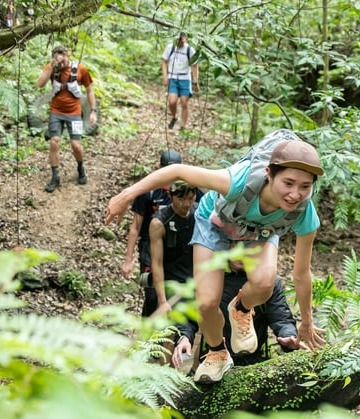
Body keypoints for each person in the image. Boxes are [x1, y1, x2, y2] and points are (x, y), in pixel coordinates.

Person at [105, 129, 327, 384]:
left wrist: (307, 323)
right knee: (207, 302)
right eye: (288, 183)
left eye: (305, 187)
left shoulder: (303, 211)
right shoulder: (237, 182)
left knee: (266, 283)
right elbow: (177, 171)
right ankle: (216, 353)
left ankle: (241, 309)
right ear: (269, 174)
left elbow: (301, 274)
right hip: (216, 222)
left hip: (260, 232)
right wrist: (126, 195)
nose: (295, 194)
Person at [171, 264, 308, 373]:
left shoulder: (267, 283)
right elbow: (188, 315)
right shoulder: (208, 277)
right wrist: (184, 337)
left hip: (254, 362)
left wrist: (288, 335)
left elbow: (281, 318)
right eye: (235, 243)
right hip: (211, 360)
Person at [121, 150, 190, 317]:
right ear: (158, 168)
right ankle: (146, 334)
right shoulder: (148, 192)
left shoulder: (187, 191)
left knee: (178, 295)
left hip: (177, 249)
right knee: (152, 296)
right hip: (148, 249)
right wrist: (128, 260)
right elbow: (135, 227)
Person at [37, 45, 97, 193]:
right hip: (56, 111)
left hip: (74, 113)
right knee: (54, 142)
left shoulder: (81, 70)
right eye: (58, 62)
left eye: (63, 61)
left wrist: (93, 111)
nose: (61, 65)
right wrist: (52, 67)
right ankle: (55, 176)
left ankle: (80, 167)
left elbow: (89, 90)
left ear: (68, 56)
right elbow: (40, 84)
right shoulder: (52, 68)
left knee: (76, 145)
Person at [150, 181, 199, 314]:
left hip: (196, 281)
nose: (187, 204)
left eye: (190, 198)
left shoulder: (200, 213)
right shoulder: (159, 222)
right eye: (181, 199)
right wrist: (162, 300)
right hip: (171, 282)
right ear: (170, 195)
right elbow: (157, 263)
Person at [161, 32, 199, 131]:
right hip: (172, 77)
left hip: (185, 79)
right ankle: (174, 117)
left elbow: (195, 65)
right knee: (172, 101)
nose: (179, 41)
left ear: (185, 39)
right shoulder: (170, 47)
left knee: (184, 102)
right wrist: (165, 76)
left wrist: (195, 82)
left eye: (181, 39)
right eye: (177, 39)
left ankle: (183, 125)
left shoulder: (190, 50)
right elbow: (164, 61)